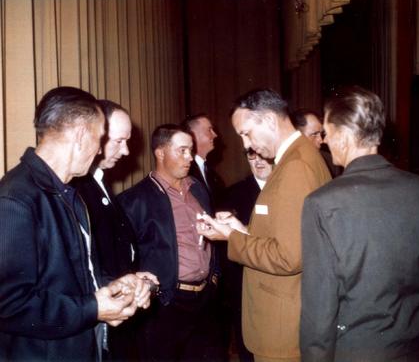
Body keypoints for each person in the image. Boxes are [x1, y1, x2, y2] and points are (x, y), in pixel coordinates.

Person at [300, 86, 419, 362]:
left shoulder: (322, 203)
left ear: (342, 136)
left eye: (326, 134)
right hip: (412, 349)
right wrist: (417, 327)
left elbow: (319, 311)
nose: (325, 142)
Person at [0, 86, 153, 361]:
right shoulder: (15, 199)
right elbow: (8, 304)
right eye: (99, 138)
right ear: (81, 135)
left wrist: (118, 285)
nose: (98, 151)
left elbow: (75, 278)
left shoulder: (69, 194)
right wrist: (93, 309)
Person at [197, 89, 331, 362]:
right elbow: (287, 235)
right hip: (289, 316)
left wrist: (232, 239)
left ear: (269, 120)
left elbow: (288, 257)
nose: (246, 144)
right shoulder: (299, 157)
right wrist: (240, 230)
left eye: (246, 133)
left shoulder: (294, 167)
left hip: (282, 327)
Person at [117, 124, 222, 361]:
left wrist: (214, 276)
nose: (189, 158)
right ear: (160, 153)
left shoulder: (198, 189)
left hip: (205, 300)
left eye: (191, 150)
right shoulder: (134, 200)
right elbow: (125, 259)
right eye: (182, 151)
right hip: (167, 306)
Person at [73, 99, 155, 360]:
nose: (127, 151)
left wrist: (135, 278)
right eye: (119, 141)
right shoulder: (76, 189)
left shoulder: (99, 181)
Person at [219, 149, 274, 362]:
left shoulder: (288, 192)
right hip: (244, 286)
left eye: (263, 155)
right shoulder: (232, 194)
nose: (258, 161)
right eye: (251, 156)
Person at [182, 113, 224, 207]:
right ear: (193, 135)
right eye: (209, 130)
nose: (215, 135)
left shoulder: (213, 174)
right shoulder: (184, 173)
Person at [290, 108, 343, 177]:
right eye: (314, 134)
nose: (321, 140)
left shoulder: (330, 162)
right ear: (297, 135)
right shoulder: (287, 163)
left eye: (321, 134)